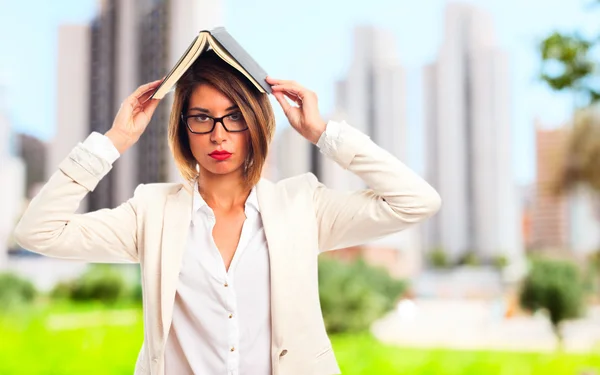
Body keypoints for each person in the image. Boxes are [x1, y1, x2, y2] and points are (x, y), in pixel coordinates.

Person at [14, 51, 441, 375]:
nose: (218, 134)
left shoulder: (302, 206)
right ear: (184, 127)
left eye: (234, 117)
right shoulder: (152, 212)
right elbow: (38, 232)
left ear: (255, 123)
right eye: (202, 117)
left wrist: (323, 134)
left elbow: (417, 201)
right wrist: (114, 140)